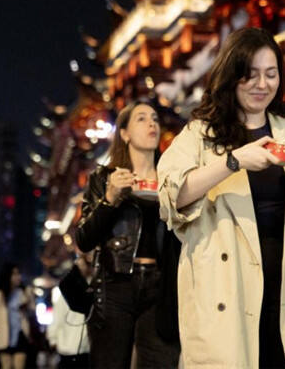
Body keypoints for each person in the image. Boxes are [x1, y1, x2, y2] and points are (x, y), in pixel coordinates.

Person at [157, 26, 285, 368]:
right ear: (231, 75)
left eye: (271, 74)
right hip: (227, 291)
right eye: (250, 74)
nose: (262, 84)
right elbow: (171, 196)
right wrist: (233, 162)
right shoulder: (200, 135)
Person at [75, 100, 181, 369]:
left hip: (161, 285)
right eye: (141, 119)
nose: (152, 124)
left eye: (155, 118)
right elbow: (84, 239)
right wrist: (110, 198)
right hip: (115, 283)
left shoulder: (172, 178)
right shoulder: (104, 178)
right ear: (124, 133)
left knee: (160, 362)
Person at [47, 253, 92, 368]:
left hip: (85, 348)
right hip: (68, 347)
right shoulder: (68, 290)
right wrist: (53, 339)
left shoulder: (92, 288)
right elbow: (58, 316)